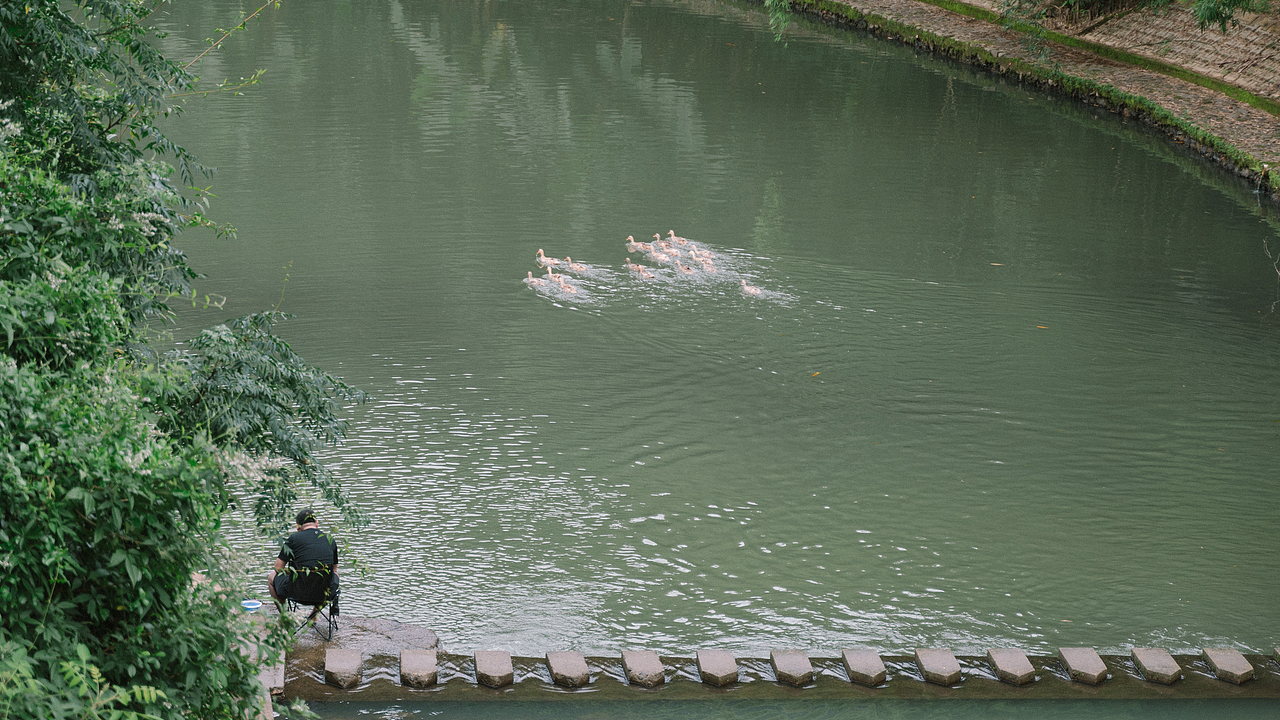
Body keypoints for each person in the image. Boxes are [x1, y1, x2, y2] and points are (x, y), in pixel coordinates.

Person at [267, 509, 339, 613]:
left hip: (296, 593)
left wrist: (293, 572)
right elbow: (334, 570)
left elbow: (278, 568)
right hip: (323, 594)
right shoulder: (330, 540)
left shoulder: (293, 539)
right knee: (335, 575)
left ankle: (286, 617)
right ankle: (313, 617)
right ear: (317, 523)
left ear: (297, 526)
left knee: (271, 576)